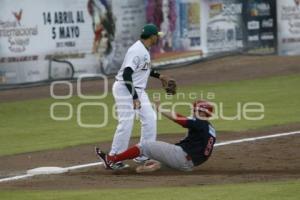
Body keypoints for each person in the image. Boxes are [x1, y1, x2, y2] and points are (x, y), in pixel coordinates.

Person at [106, 24, 175, 169]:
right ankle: (113, 157)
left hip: (137, 90)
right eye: (157, 35)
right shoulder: (136, 50)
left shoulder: (144, 49)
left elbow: (144, 68)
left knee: (150, 119)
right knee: (126, 123)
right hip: (125, 88)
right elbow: (126, 74)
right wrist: (134, 97)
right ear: (152, 37)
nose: (158, 37)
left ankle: (143, 154)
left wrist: (160, 76)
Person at [96, 100, 216, 172]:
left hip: (181, 157)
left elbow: (179, 119)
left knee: (144, 146)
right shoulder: (210, 129)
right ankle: (152, 167)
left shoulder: (200, 123)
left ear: (201, 112)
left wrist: (160, 109)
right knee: (156, 162)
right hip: (189, 165)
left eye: (195, 110)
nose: (193, 112)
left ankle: (111, 160)